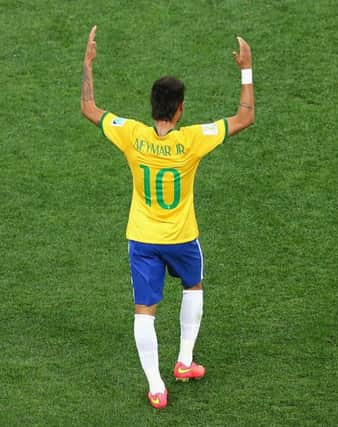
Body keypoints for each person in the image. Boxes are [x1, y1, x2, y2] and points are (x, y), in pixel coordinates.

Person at [80, 25, 254, 409]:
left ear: (152, 107)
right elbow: (245, 118)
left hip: (142, 238)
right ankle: (184, 360)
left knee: (145, 310)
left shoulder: (132, 135)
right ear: (179, 109)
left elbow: (89, 109)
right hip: (181, 237)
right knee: (193, 286)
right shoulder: (191, 140)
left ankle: (156, 387)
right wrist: (247, 69)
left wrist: (88, 63)